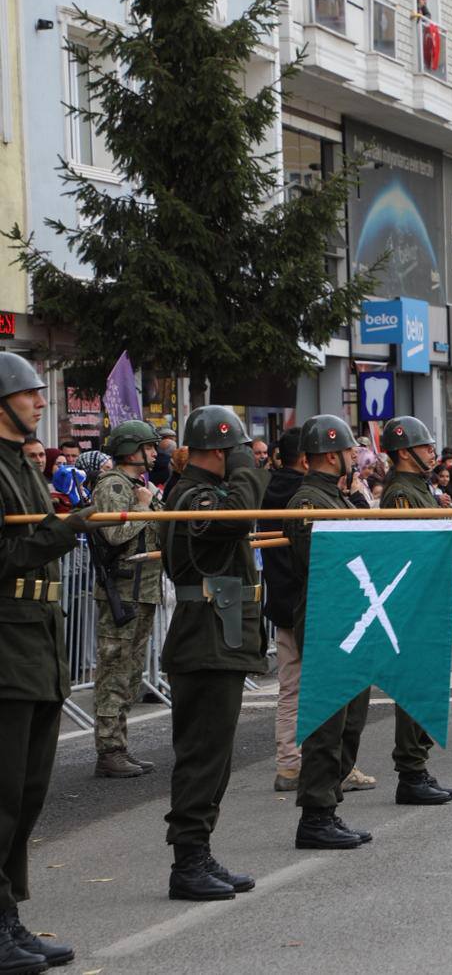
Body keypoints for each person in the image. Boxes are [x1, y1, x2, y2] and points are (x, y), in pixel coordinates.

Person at [0, 353, 94, 970]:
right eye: (30, 394)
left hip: (38, 646)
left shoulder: (24, 465)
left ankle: (8, 915)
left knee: (28, 795)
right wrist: (66, 530)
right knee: (2, 795)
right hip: (5, 648)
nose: (40, 402)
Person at [160, 405, 272, 901]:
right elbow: (236, 515)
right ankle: (187, 861)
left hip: (218, 637)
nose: (246, 460)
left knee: (214, 756)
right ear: (220, 450)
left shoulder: (206, 493)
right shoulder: (192, 495)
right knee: (202, 756)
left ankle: (198, 851)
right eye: (238, 451)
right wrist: (247, 467)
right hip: (203, 640)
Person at [285, 416, 375, 851]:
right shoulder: (308, 501)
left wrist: (358, 501)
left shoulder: (336, 496)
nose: (355, 457)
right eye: (349, 451)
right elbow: (317, 558)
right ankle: (316, 814)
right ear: (329, 453)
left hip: (348, 617)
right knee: (328, 722)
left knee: (351, 721)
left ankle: (329, 806)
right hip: (326, 618)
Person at [377, 416, 452, 805]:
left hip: (426, 596)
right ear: (405, 452)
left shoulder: (419, 488)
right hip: (411, 600)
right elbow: (417, 544)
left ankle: (418, 767)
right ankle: (410, 772)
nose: (432, 452)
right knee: (412, 689)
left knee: (425, 685)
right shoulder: (400, 493)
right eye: (425, 447)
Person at [89, 419, 165, 780]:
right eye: (149, 447)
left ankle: (119, 745)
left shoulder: (138, 486)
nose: (154, 452)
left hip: (142, 592)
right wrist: (143, 508)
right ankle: (109, 750)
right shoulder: (114, 485)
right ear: (131, 450)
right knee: (115, 671)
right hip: (122, 594)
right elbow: (116, 532)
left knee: (131, 672)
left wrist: (150, 505)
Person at [260, 427, 306, 793]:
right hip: (310, 601)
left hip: (281, 600)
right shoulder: (306, 495)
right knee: (327, 689)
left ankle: (289, 764)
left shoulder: (270, 488)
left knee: (289, 688)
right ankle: (331, 763)